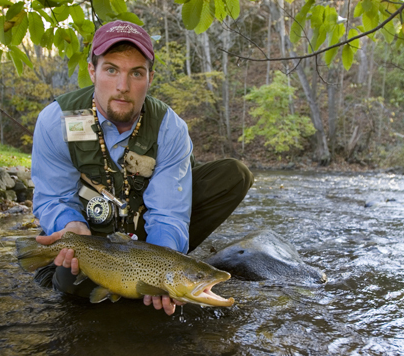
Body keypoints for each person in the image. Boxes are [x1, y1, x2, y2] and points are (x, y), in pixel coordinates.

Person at [31, 20, 253, 316]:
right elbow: (53, 198)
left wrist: (163, 272)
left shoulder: (169, 127)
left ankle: (174, 274)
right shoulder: (59, 120)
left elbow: (168, 212)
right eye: (111, 70)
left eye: (136, 73)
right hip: (92, 237)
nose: (123, 87)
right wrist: (68, 226)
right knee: (75, 289)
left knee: (233, 174)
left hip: (145, 231)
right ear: (91, 71)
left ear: (150, 77)